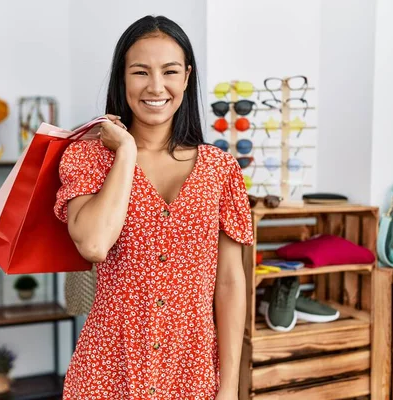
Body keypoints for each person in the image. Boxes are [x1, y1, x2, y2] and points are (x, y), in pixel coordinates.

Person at [54, 15, 254, 400]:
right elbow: (93, 244)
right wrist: (126, 152)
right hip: (108, 370)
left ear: (187, 77)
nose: (156, 86)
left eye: (170, 71)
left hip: (191, 371)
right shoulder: (87, 158)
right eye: (141, 72)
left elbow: (230, 283)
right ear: (122, 78)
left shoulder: (221, 169)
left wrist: (229, 386)